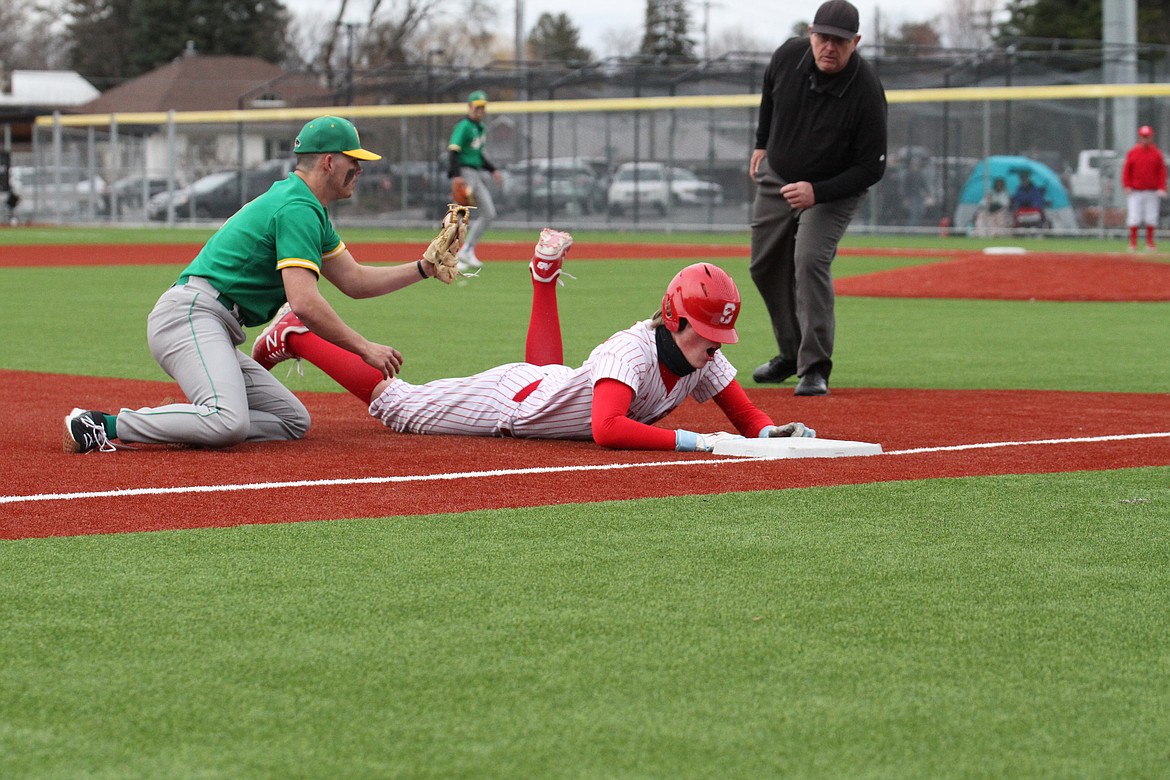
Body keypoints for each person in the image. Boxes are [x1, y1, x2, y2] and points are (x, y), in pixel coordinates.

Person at [64, 116, 451, 454]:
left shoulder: (306, 207)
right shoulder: (297, 207)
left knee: (290, 421)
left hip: (211, 321)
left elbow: (355, 280)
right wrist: (363, 348)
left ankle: (196, 420)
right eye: (354, 161)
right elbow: (303, 302)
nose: (360, 170)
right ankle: (103, 425)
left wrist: (423, 267)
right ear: (330, 162)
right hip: (190, 316)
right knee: (227, 422)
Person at [250, 229, 816, 452]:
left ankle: (542, 281)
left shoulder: (702, 358)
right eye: (709, 332)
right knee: (396, 408)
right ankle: (297, 334)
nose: (717, 345)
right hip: (507, 404)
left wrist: (774, 432)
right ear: (675, 320)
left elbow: (745, 416)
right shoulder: (631, 352)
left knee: (557, 378)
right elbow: (607, 430)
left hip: (547, 389)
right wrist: (700, 442)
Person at [748, 0, 887, 397]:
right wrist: (761, 143)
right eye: (823, 37)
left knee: (808, 259)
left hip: (834, 187)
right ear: (810, 34)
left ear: (856, 42)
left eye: (840, 41)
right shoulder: (788, 56)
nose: (830, 46)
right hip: (780, 174)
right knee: (763, 264)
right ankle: (790, 353)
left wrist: (818, 192)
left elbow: (871, 167)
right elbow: (769, 96)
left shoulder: (865, 91)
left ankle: (815, 366)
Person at [448, 90, 503, 274]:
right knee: (460, 216)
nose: (480, 110)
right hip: (464, 172)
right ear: (470, 107)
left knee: (488, 213)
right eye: (477, 106)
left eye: (483, 107)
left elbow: (478, 154)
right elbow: (453, 150)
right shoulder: (463, 125)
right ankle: (450, 256)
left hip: (475, 173)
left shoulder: (481, 128)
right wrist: (456, 176)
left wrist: (492, 169)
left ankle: (467, 249)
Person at [1122, 124, 1167, 252]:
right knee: (1134, 217)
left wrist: (1161, 187)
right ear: (1139, 137)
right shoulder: (1133, 152)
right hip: (1135, 191)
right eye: (1143, 137)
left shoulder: (1156, 154)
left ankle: (1150, 243)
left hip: (1152, 191)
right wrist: (1126, 185)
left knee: (1151, 217)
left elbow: (1161, 172)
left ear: (1151, 137)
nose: (1145, 139)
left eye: (1147, 137)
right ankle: (1133, 243)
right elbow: (1126, 171)